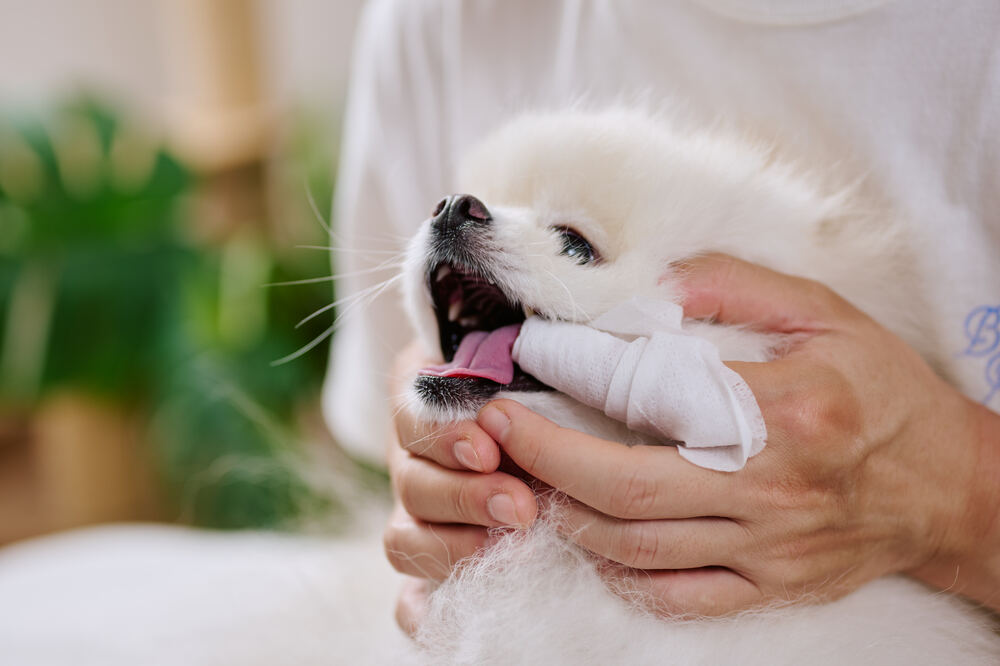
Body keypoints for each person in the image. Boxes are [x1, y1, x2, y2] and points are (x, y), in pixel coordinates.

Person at [323, 0, 1000, 632]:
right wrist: (426, 467)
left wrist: (958, 492)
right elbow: (400, 376)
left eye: (574, 243)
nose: (458, 209)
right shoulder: (441, 17)